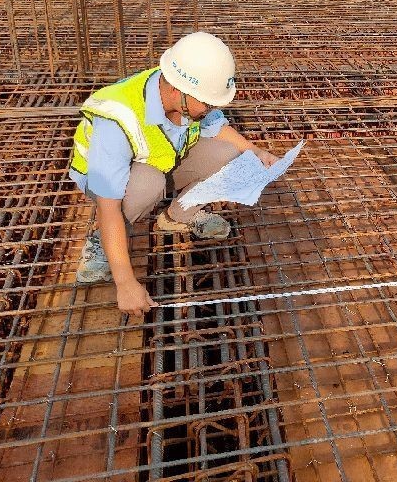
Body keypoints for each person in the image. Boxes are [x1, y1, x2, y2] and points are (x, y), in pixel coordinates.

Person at [69, 31, 279, 317]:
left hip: (164, 159)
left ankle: (178, 216)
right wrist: (126, 282)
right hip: (114, 182)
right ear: (178, 92)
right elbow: (108, 205)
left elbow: (218, 128)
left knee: (229, 154)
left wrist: (255, 151)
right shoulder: (117, 119)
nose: (211, 109)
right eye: (207, 103)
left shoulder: (186, 96)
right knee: (148, 183)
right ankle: (101, 243)